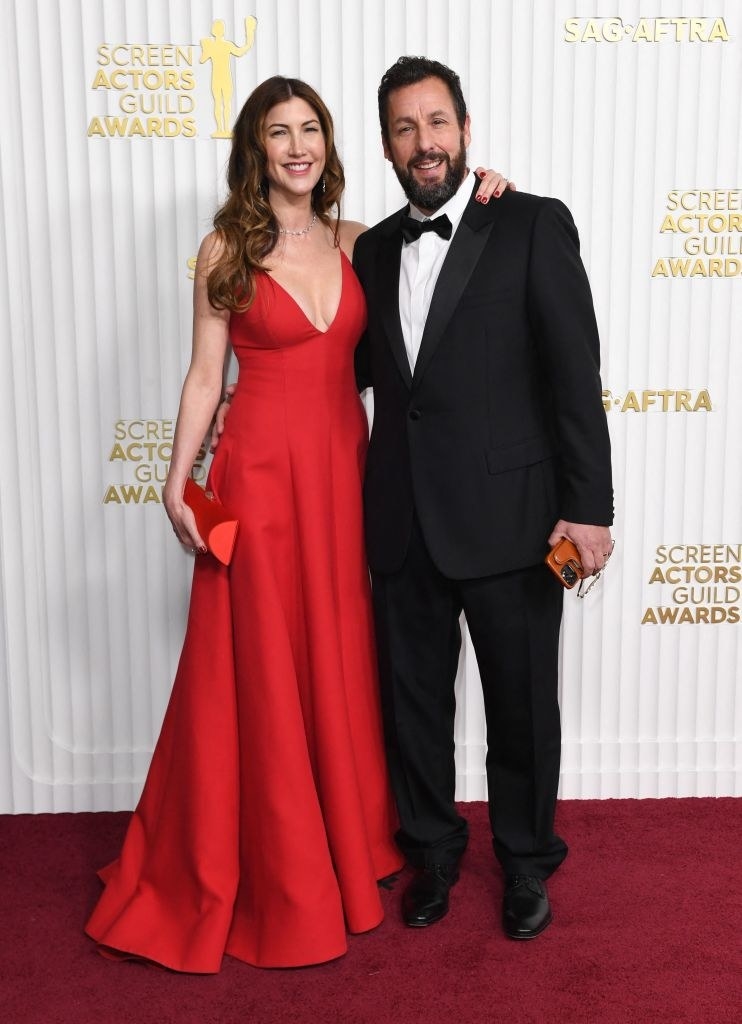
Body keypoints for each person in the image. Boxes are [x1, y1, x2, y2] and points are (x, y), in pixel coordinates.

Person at [85, 75, 507, 972]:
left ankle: (347, 840)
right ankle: (270, 859)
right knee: (259, 664)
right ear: (256, 149)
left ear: (328, 142)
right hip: (259, 479)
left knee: (339, 650)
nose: (297, 146)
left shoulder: (363, 242)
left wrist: (489, 188)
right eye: (278, 132)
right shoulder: (225, 249)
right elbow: (206, 375)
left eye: (309, 128)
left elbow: (447, 255)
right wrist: (175, 479)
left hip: (344, 475)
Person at [350, 56, 614, 940]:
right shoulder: (375, 248)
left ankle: (528, 861)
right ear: (385, 145)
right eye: (403, 127)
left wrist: (591, 509)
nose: (423, 143)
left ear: (465, 129)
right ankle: (430, 853)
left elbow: (576, 377)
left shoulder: (533, 224)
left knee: (523, 706)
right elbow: (341, 369)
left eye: (436, 122)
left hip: (514, 518)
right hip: (403, 522)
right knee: (413, 706)